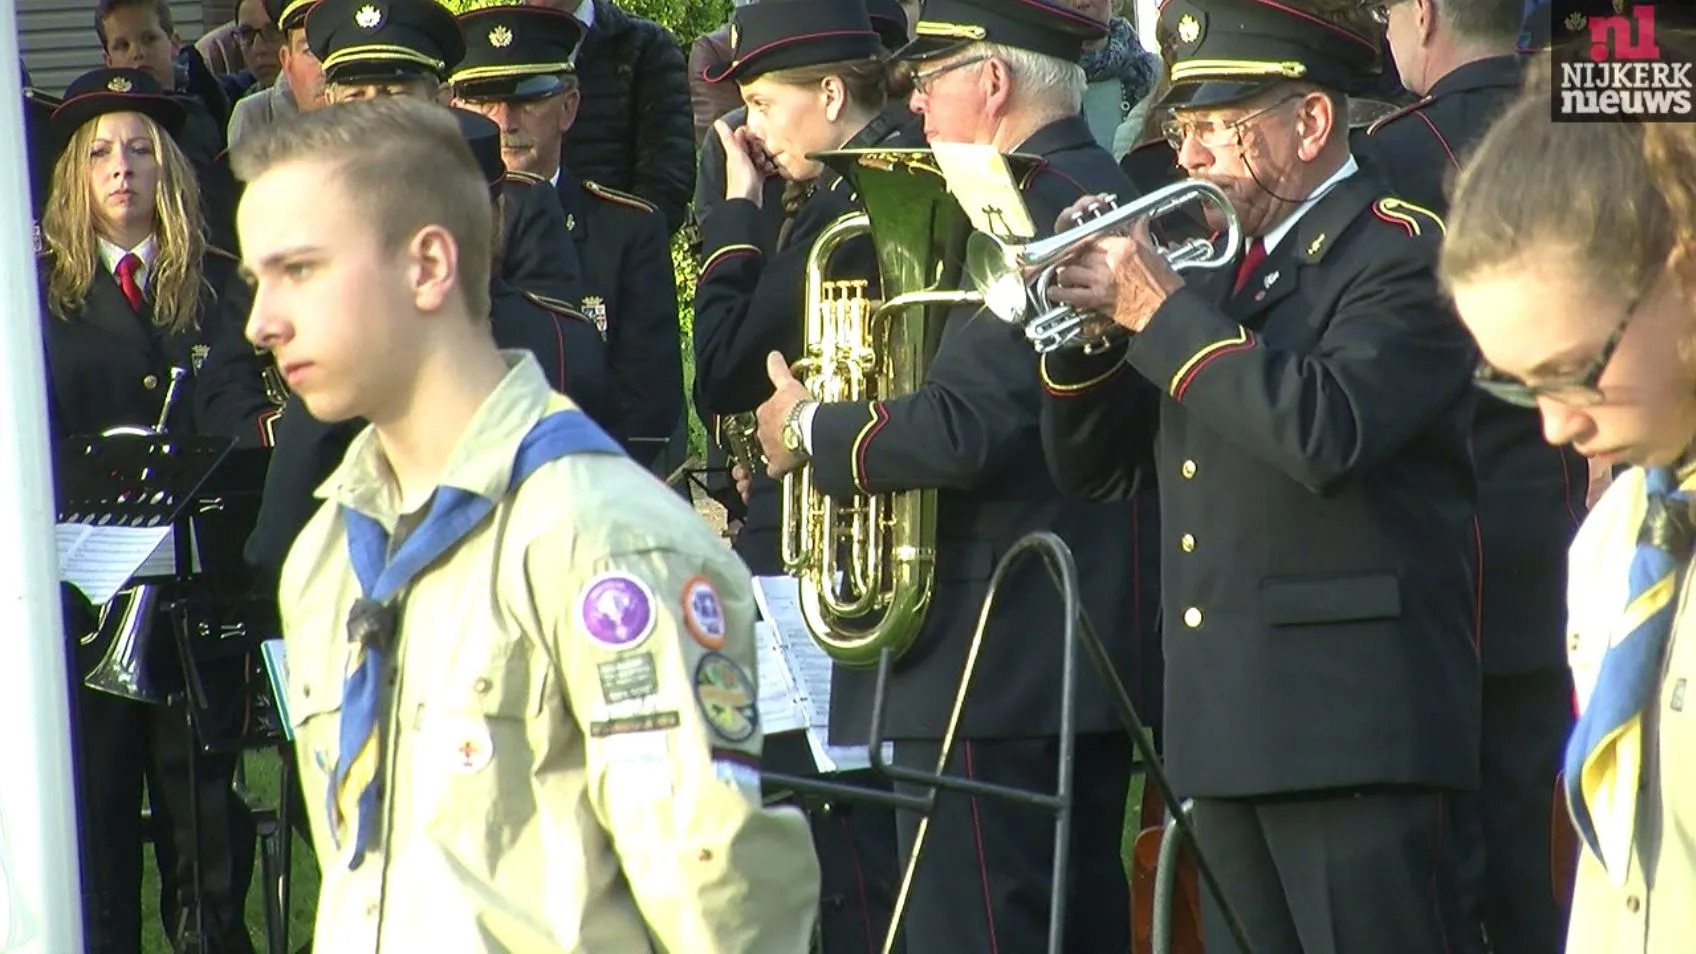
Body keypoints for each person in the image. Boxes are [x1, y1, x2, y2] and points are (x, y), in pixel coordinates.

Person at [232, 94, 820, 952]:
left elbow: (721, 907)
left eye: (302, 270)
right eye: (257, 280)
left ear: (429, 264)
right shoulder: (327, 555)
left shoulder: (603, 542)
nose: (262, 321)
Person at [1037, 0, 1481, 951]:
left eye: (1211, 130)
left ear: (1311, 123)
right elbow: (1097, 471)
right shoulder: (1205, 280)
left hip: (1352, 738)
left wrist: (1156, 312)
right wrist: (1089, 336)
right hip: (1219, 731)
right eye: (1181, 130)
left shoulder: (1398, 251)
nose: (1187, 158)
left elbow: (1327, 431)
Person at [749, 0, 1163, 950]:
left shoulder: (1030, 205)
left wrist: (812, 427)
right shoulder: (1085, 185)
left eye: (931, 81)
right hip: (1043, 657)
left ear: (993, 82)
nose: (917, 106)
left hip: (993, 656)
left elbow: (967, 425)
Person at [1437, 80, 1696, 954]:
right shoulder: (1610, 543)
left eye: (1572, 370)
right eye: (1516, 386)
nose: (1552, 424)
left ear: (1685, 270)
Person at [1359, 1, 1585, 951]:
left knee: (1457, 871)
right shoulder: (1595, 115)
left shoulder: (1394, 153)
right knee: (1556, 852)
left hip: (1452, 549)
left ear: (1422, 12)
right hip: (1578, 522)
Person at [38, 66, 268, 954]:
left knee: (205, 816)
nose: (122, 168)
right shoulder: (34, 293)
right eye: (100, 154)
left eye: (140, 150)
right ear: (75, 176)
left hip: (189, 596)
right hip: (80, 602)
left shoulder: (215, 284)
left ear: (168, 167)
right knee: (92, 812)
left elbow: (237, 410)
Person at [449, 4, 683, 471]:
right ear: (455, 108)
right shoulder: (428, 236)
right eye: (482, 100)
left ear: (569, 106)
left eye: (528, 98)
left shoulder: (627, 232)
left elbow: (647, 405)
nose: (504, 120)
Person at [305, 0, 585, 305]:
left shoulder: (509, 201)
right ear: (330, 103)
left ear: (440, 102)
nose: (375, 114)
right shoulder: (297, 205)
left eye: (395, 94)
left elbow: (545, 335)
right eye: (355, 96)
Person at [524, 0, 695, 234]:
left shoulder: (646, 46)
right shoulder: (486, 48)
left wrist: (611, 254)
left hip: (615, 257)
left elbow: (666, 183)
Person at [226, 0, 327, 149]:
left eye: (271, 31)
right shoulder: (253, 115)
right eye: (309, 50)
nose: (258, 48)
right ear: (287, 57)